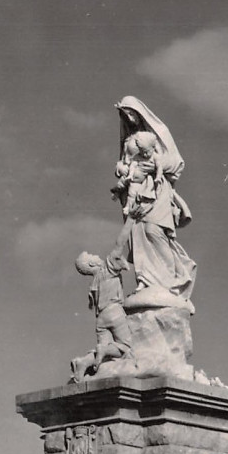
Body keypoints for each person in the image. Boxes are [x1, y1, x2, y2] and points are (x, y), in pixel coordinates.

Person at [109, 96, 196, 305]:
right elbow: (124, 163)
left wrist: (154, 167)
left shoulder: (158, 132)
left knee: (154, 230)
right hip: (135, 190)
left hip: (157, 190)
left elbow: (176, 163)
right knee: (138, 233)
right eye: (125, 114)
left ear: (139, 112)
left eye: (131, 113)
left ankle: (174, 277)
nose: (129, 118)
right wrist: (121, 170)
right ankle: (145, 280)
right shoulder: (128, 140)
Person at [70, 251, 134, 382]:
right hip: (114, 312)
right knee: (126, 347)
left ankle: (83, 362)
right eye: (92, 255)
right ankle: (103, 349)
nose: (97, 256)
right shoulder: (106, 270)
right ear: (92, 263)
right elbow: (118, 256)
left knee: (105, 357)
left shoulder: (94, 283)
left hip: (101, 318)